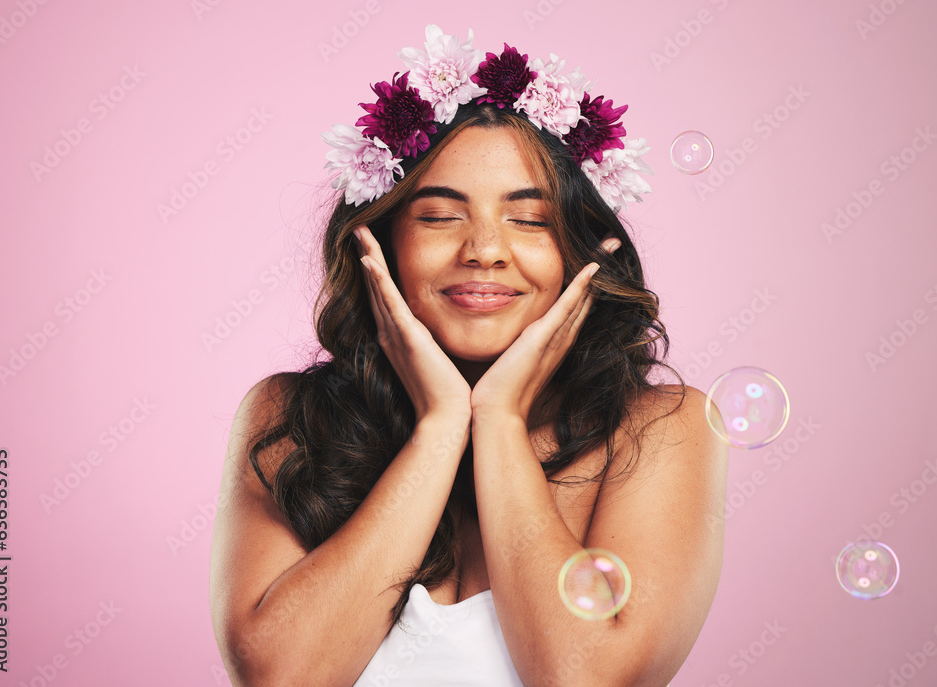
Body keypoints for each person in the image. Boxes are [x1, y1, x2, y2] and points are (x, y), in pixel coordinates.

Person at [209, 25, 728, 687]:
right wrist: (441, 424)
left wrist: (501, 420)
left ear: (583, 250)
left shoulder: (662, 428)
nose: (485, 248)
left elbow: (584, 679)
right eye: (439, 215)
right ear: (380, 241)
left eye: (530, 218)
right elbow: (284, 677)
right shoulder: (289, 417)